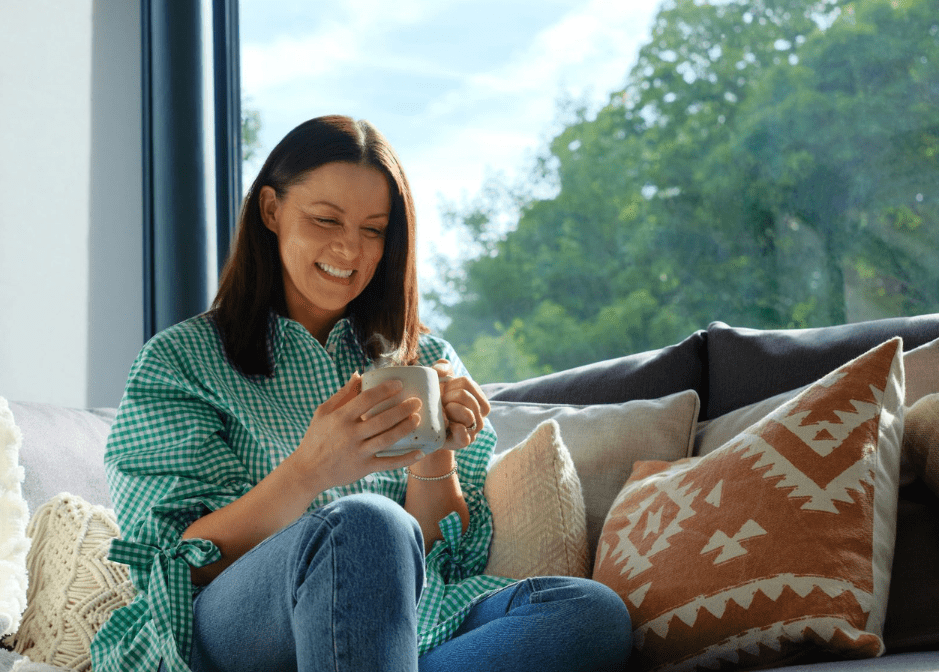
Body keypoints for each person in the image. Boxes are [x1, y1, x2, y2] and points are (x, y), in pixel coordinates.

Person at [90, 115, 633, 672]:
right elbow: (173, 563)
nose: (350, 250)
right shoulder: (181, 362)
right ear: (271, 211)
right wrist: (308, 471)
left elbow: (440, 554)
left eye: (374, 230)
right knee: (366, 524)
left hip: (406, 626)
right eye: (327, 220)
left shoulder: (420, 356)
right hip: (236, 628)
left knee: (587, 612)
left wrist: (436, 449)